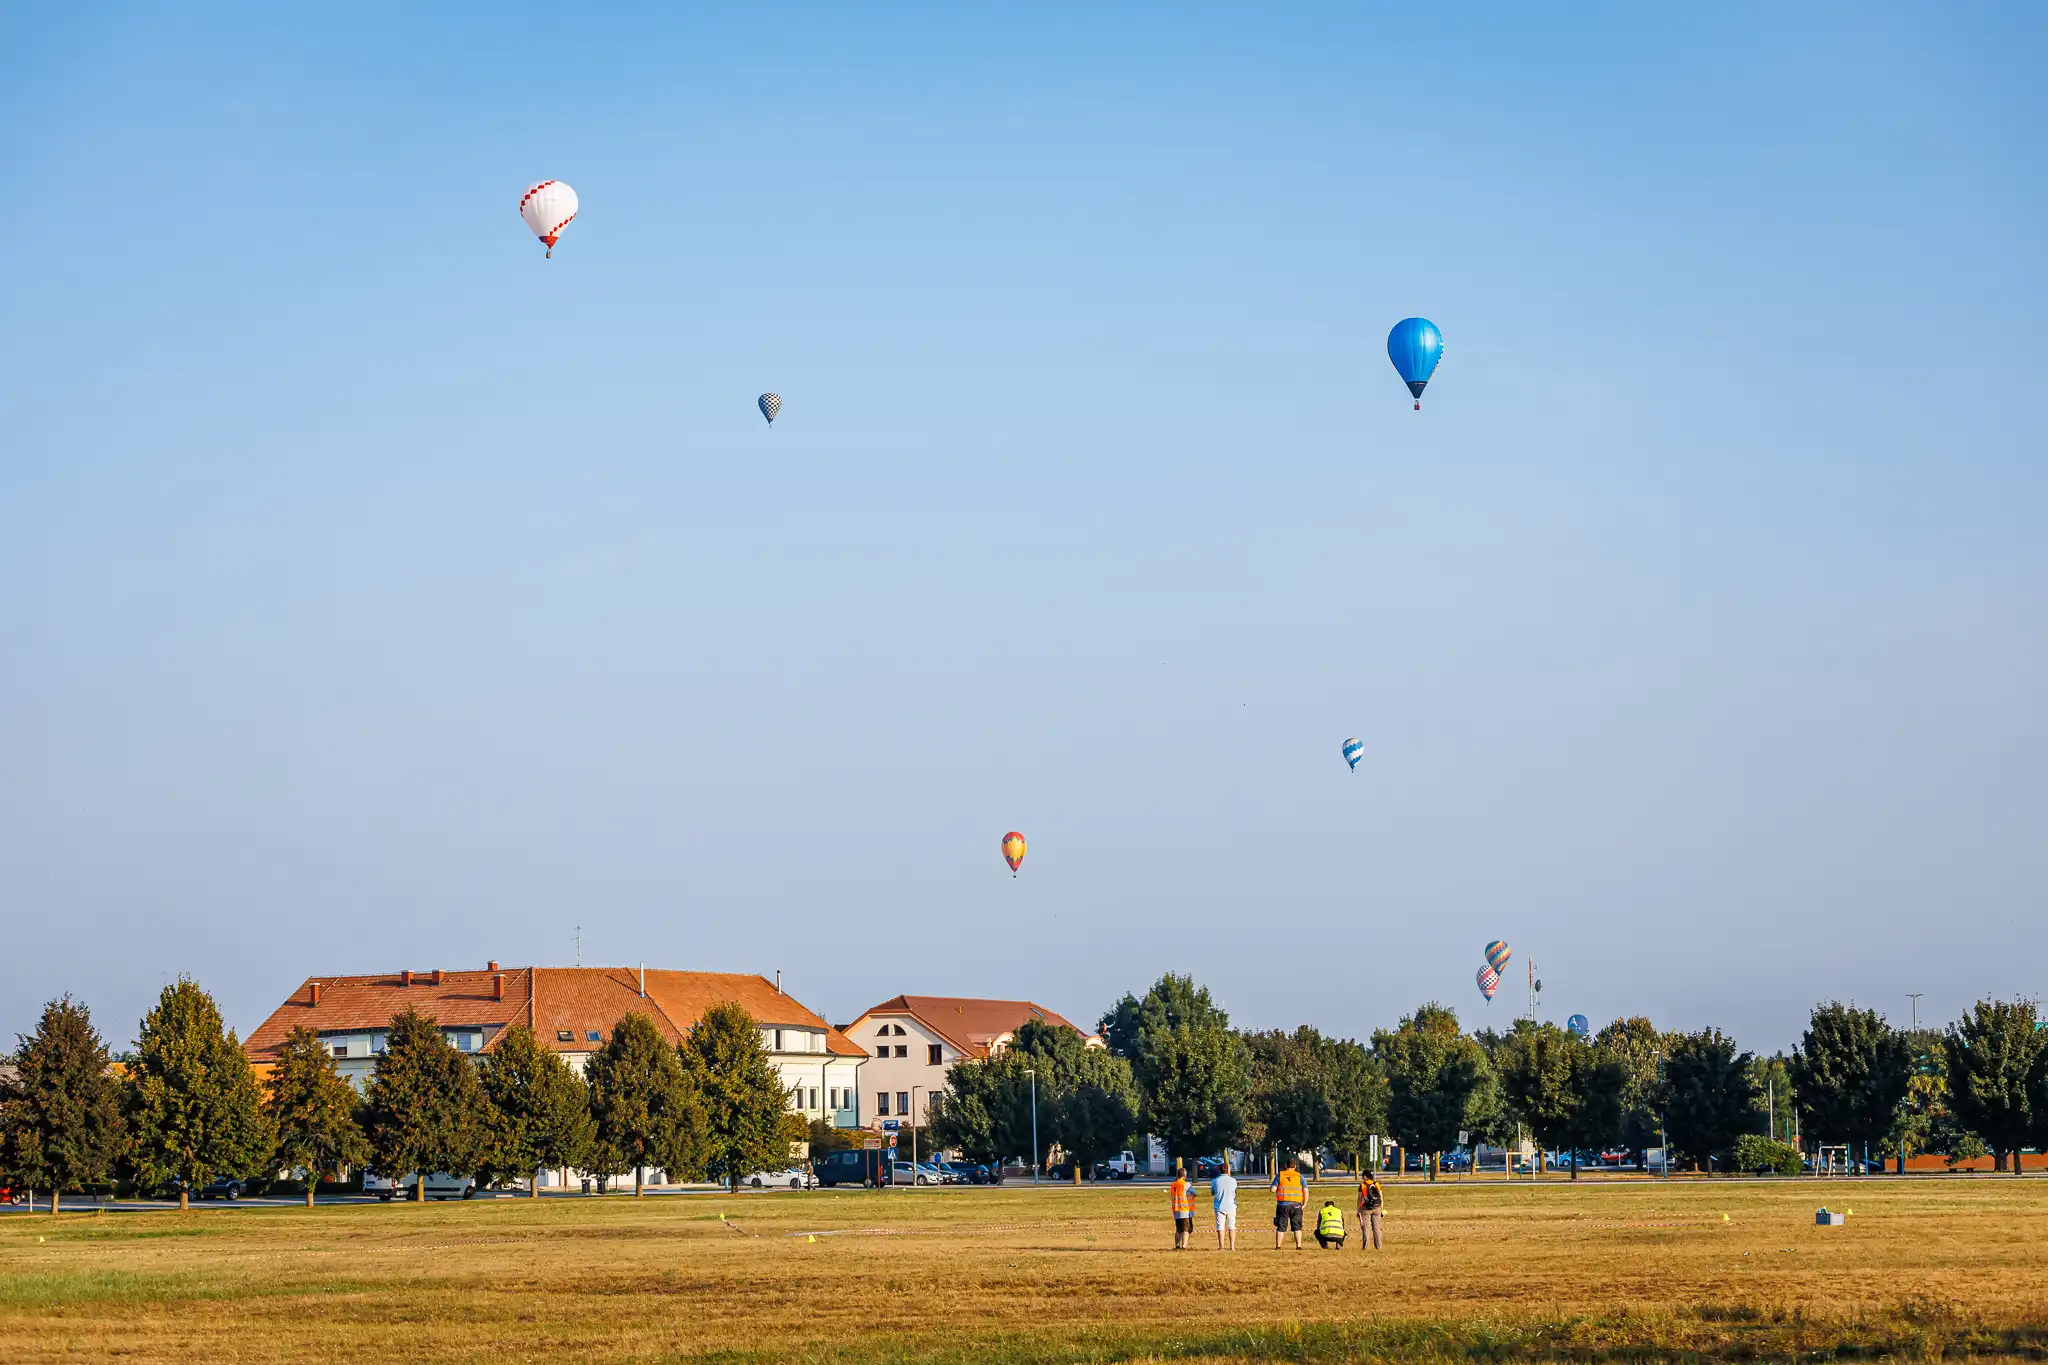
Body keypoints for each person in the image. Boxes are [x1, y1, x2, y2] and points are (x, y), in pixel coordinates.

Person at [1271, 1157, 1307, 1249]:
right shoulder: (1300, 1176)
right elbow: (1306, 1191)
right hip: (1296, 1205)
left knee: (1281, 1226)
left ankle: (1278, 1246)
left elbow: (1273, 1189)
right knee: (1297, 1226)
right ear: (1295, 1166)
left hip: (1282, 1206)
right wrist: (1304, 1204)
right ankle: (1298, 1246)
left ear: (1286, 1166)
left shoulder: (1280, 1175)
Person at [1211, 1161, 1238, 1251]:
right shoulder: (1233, 1181)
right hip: (1231, 1206)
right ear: (1228, 1170)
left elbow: (1212, 1192)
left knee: (1220, 1227)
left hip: (1219, 1207)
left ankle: (1221, 1246)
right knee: (1231, 1226)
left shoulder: (1215, 1181)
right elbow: (1235, 1191)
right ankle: (1232, 1246)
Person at [1169, 1169, 1195, 1250]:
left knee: (1178, 1230)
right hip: (1184, 1209)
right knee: (1185, 1230)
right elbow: (1195, 1192)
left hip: (1176, 1210)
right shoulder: (1186, 1184)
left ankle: (1177, 1246)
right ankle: (1184, 1246)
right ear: (1184, 1175)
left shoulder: (1173, 1185)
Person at [1358, 1171, 1384, 1251]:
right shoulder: (1376, 1184)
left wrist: (1358, 1210)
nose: (1362, 1178)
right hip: (1377, 1208)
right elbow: (1381, 1198)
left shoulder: (1362, 1185)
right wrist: (1382, 1210)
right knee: (1376, 1229)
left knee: (1366, 1228)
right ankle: (1378, 1246)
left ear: (1365, 1176)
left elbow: (1359, 1199)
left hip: (1366, 1209)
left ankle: (1365, 1247)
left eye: (1362, 1176)